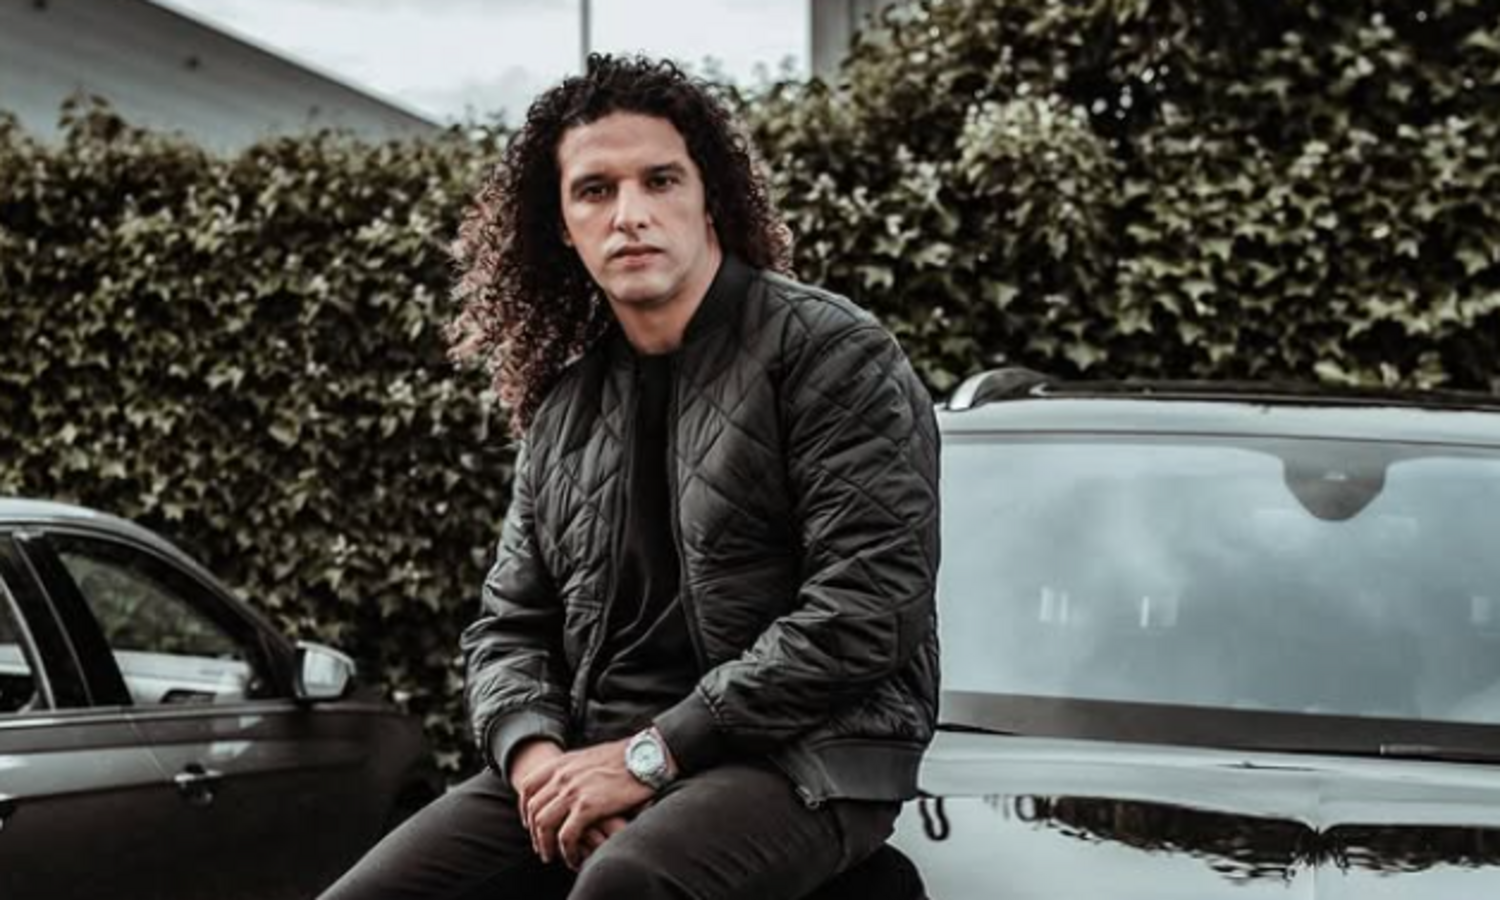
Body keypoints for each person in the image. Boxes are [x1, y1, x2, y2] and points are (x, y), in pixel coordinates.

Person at [321, 54, 940, 900]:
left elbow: (867, 606)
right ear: (562, 225)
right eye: (595, 190)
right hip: (595, 751)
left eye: (659, 180)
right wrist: (539, 764)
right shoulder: (566, 407)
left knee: (626, 886)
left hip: (801, 755)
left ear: (708, 196)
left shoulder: (830, 353)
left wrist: (651, 756)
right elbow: (508, 626)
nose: (630, 215)